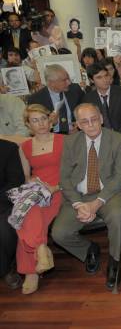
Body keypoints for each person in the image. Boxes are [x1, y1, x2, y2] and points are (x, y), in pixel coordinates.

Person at [51, 103, 121, 290]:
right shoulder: (70, 142)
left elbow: (120, 176)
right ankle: (88, 250)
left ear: (101, 118)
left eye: (94, 119)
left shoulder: (117, 139)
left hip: (108, 194)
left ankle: (114, 261)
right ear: (78, 124)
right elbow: (64, 177)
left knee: (119, 218)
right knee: (59, 234)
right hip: (78, 196)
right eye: (85, 122)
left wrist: (96, 203)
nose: (91, 125)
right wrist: (78, 203)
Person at [16, 105, 64, 294]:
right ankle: (41, 248)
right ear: (28, 125)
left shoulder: (64, 140)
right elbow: (27, 176)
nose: (41, 123)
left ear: (50, 119)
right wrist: (35, 187)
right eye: (35, 120)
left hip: (59, 189)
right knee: (28, 212)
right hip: (37, 190)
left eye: (43, 118)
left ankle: (31, 271)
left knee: (27, 218)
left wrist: (55, 187)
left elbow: (73, 173)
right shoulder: (25, 147)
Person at [82, 63, 121, 139]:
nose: (105, 80)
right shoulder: (88, 99)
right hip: (101, 140)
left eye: (106, 75)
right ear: (91, 80)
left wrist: (115, 137)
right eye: (99, 77)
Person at [27, 64, 84, 134]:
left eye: (68, 78)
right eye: (64, 80)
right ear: (51, 83)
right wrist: (51, 124)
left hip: (75, 134)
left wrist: (79, 125)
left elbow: (84, 111)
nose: (69, 82)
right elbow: (35, 129)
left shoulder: (75, 89)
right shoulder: (36, 100)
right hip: (51, 137)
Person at [0, 139, 25, 290]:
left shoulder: (8, 148)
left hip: (5, 202)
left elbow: (15, 182)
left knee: (3, 226)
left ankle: (6, 269)